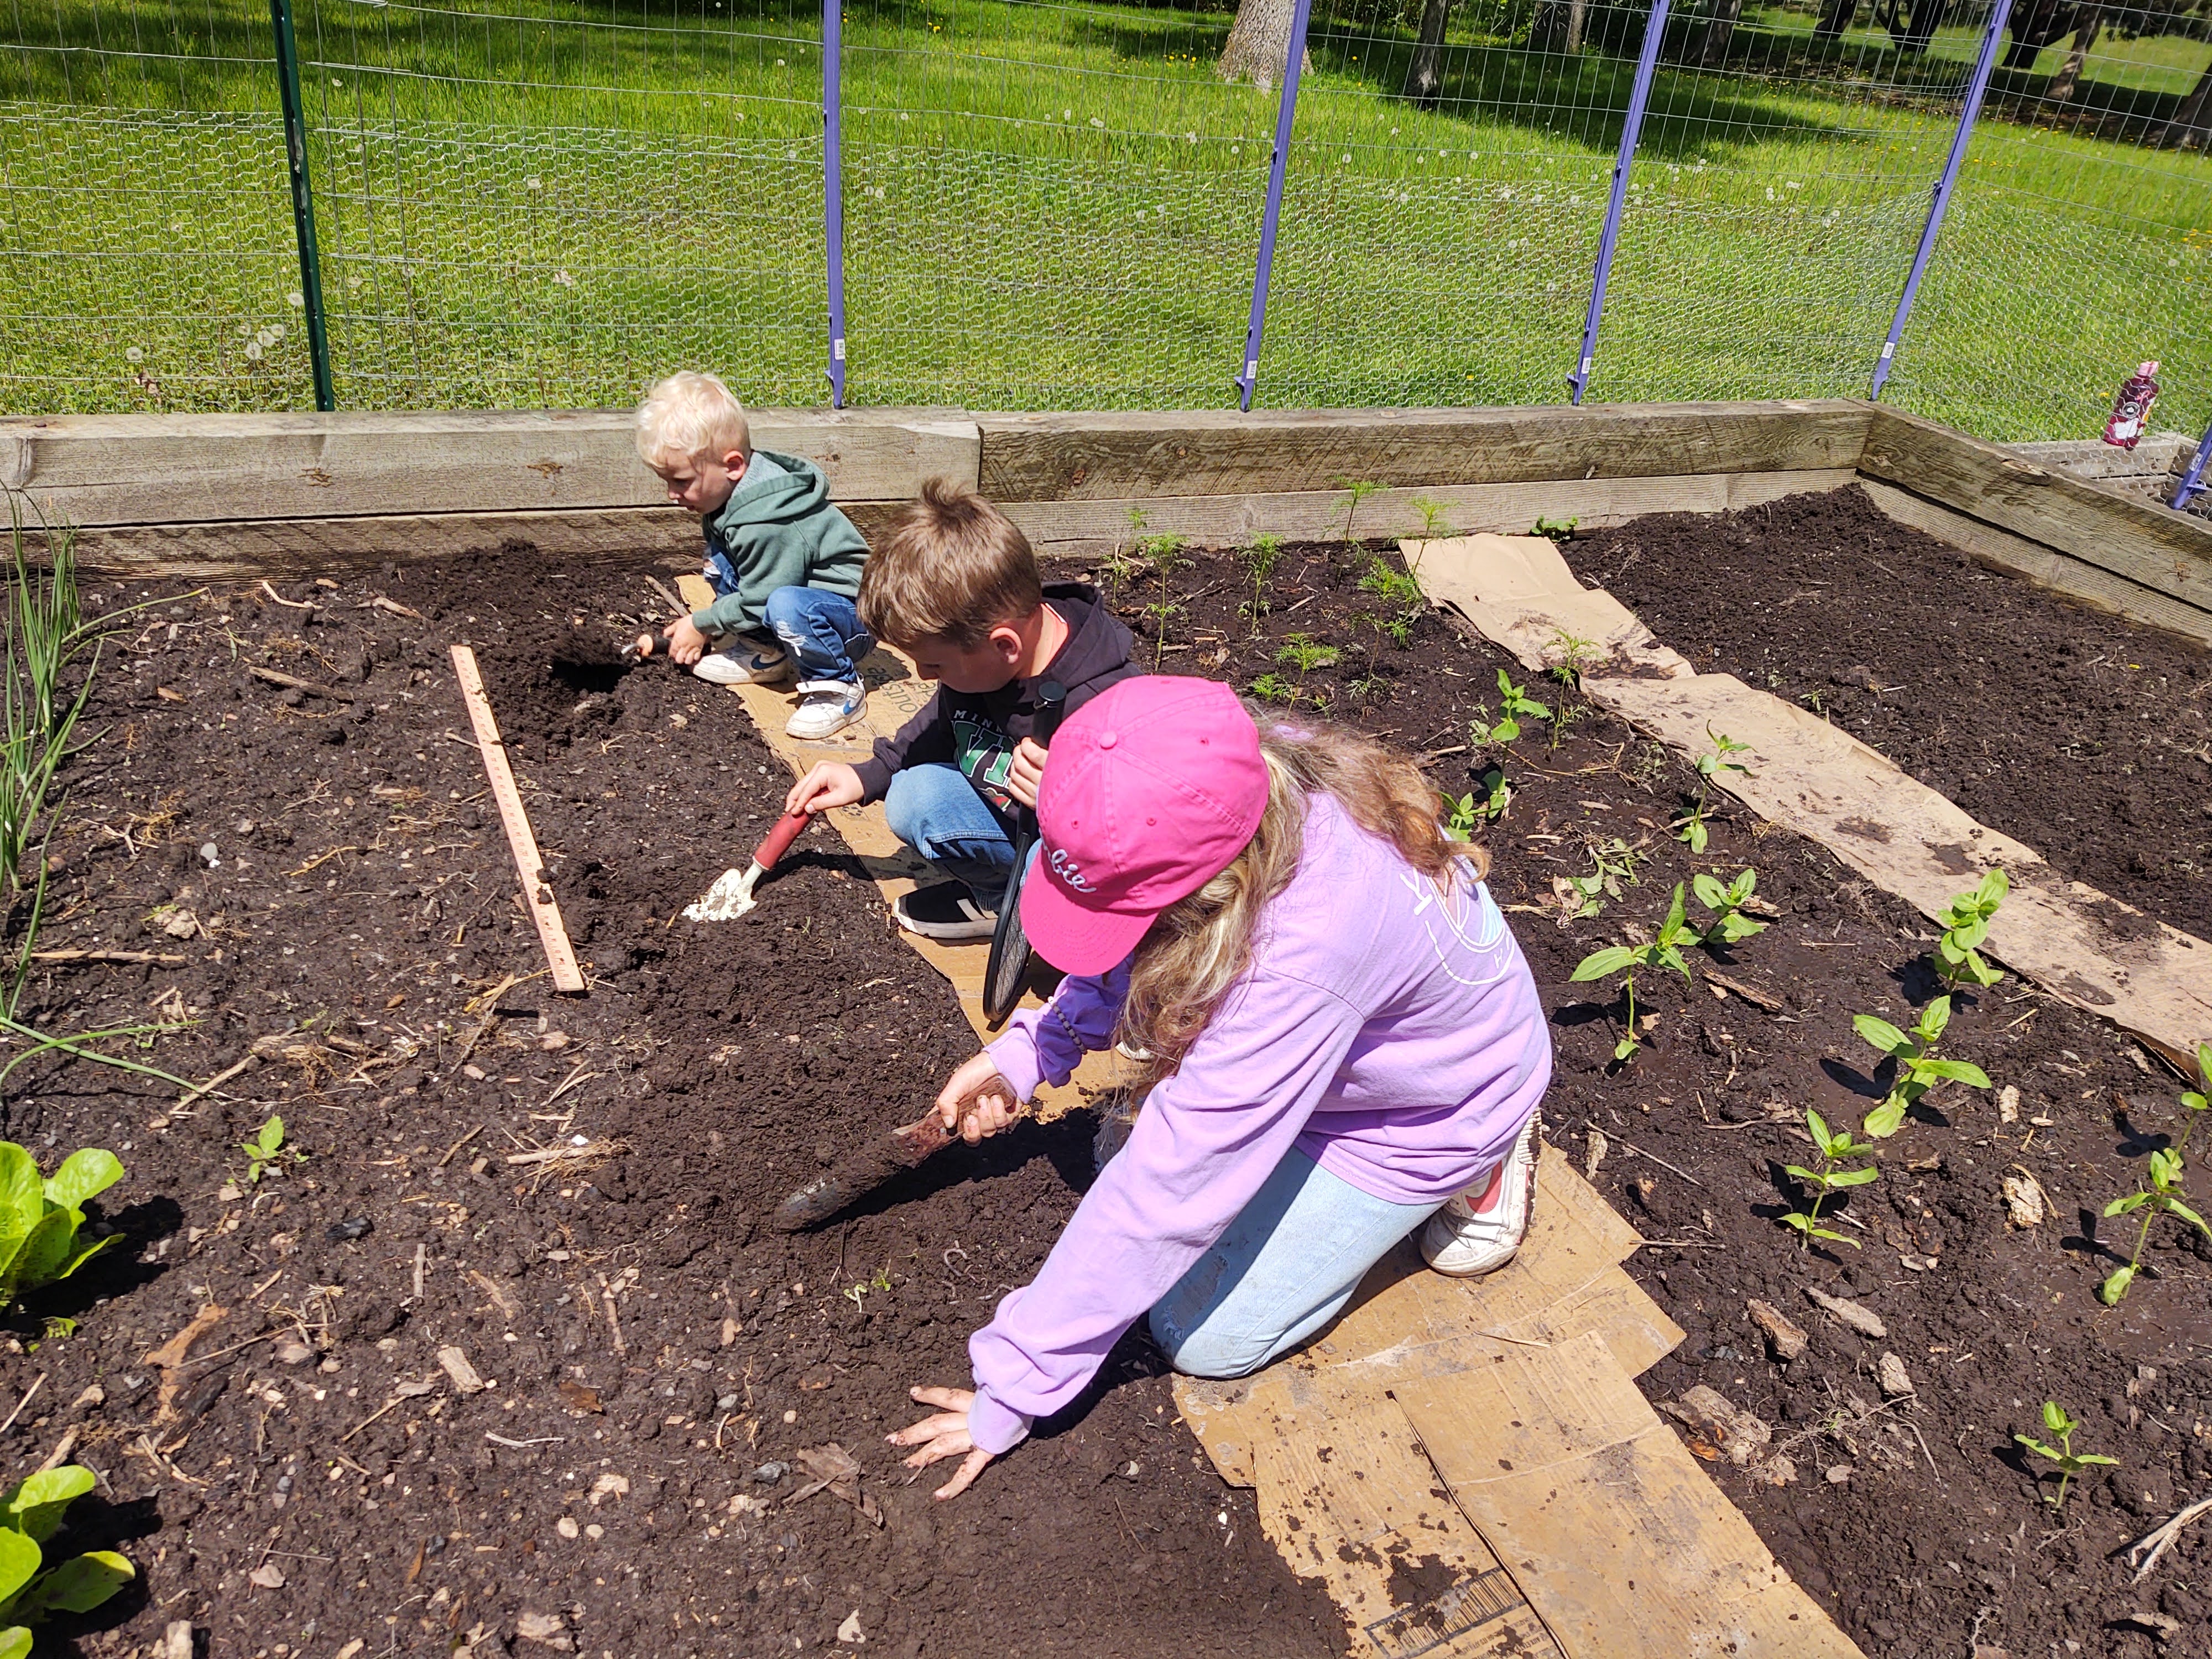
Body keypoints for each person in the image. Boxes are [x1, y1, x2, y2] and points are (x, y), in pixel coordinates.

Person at [884, 676, 1553, 1498]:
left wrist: (1017, 1385)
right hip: (1334, 1053)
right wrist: (1031, 1052)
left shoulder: (1301, 956)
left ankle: (1486, 1160)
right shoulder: (1226, 773)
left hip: (1426, 1110)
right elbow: (1134, 919)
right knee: (1126, 1160)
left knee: (1200, 1336)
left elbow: (1170, 1186)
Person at [781, 480, 1141, 942]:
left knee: (1050, 882)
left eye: (934, 665)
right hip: (1017, 829)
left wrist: (1071, 804)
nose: (923, 675)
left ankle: (1051, 926)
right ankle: (999, 898)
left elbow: (1142, 837)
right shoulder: (983, 660)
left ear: (1005, 646)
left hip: (1086, 859)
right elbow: (943, 718)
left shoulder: (1106, 706)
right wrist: (872, 773)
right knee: (913, 796)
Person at [632, 370, 873, 739]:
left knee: (783, 604)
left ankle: (839, 685)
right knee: (720, 562)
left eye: (681, 481)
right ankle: (767, 653)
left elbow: (761, 599)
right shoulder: (730, 500)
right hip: (801, 600)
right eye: (667, 481)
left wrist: (703, 624)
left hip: (853, 619)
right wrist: (711, 625)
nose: (671, 494)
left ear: (732, 466)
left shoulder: (766, 522)